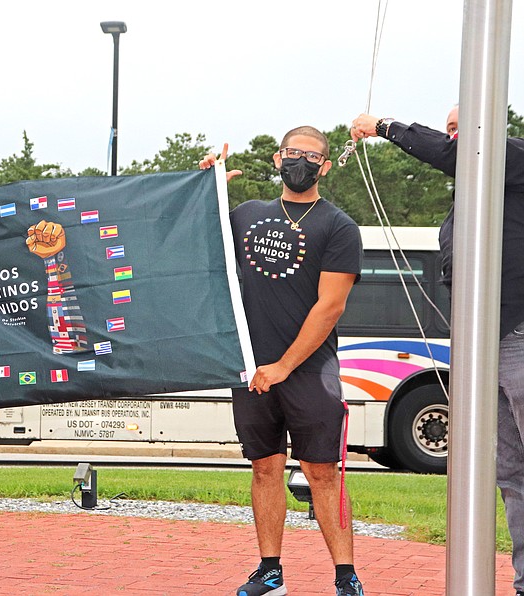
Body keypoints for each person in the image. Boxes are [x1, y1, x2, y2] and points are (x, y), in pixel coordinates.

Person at [351, 108, 524, 596]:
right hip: (482, 343)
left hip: (517, 336)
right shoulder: (470, 202)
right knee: (510, 474)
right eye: (450, 127)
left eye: (464, 123)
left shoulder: (510, 158)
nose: (456, 135)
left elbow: (465, 154)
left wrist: (385, 127)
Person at [200, 127, 365, 596]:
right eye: (293, 153)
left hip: (309, 371)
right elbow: (195, 242)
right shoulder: (246, 215)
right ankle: (270, 572)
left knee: (321, 473)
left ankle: (346, 577)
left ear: (326, 166)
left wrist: (286, 366)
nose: (301, 162)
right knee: (265, 467)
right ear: (277, 158)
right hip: (251, 367)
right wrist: (206, 188)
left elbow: (329, 306)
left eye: (312, 156)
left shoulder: (338, 227)